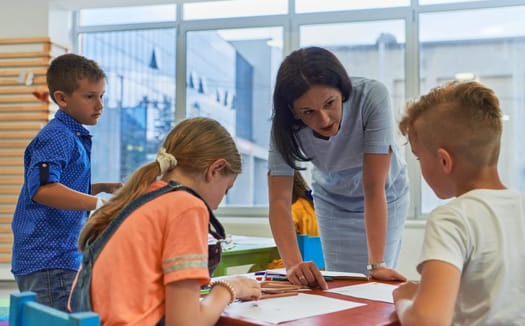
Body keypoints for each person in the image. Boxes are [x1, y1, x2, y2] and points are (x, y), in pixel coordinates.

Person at [70, 117, 261, 325]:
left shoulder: (138, 198)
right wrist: (229, 289)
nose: (217, 205)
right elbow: (186, 324)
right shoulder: (186, 206)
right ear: (215, 169)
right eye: (226, 189)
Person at [268, 46, 409, 288]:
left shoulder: (372, 96)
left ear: (342, 91)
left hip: (384, 194)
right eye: (308, 112)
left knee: (373, 282)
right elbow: (279, 202)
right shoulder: (285, 126)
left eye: (330, 103)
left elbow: (373, 186)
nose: (323, 119)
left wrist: (377, 265)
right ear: (293, 111)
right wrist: (292, 264)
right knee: (342, 284)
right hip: (332, 199)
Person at [393, 81, 525, 325]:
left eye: (419, 157)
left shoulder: (452, 218)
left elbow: (427, 321)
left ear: (444, 161)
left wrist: (403, 300)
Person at [11, 53, 122, 311]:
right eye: (90, 97)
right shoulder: (58, 136)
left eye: (102, 96)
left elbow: (63, 185)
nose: (100, 105)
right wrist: (99, 203)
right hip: (49, 259)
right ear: (62, 98)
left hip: (60, 256)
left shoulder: (72, 135)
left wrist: (103, 187)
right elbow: (43, 189)